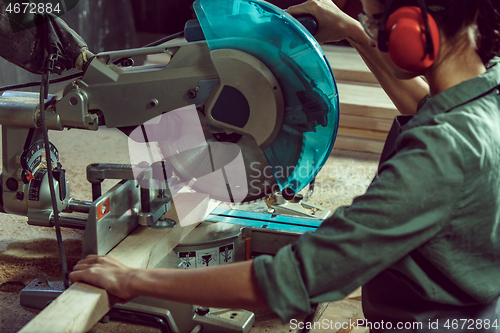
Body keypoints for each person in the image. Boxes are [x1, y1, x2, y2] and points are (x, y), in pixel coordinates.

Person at [70, 0, 500, 331]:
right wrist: (354, 32)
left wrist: (133, 281)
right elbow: (425, 105)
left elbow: (295, 280)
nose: (378, 35)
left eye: (377, 23)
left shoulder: (441, 153)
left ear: (412, 30)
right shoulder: (486, 91)